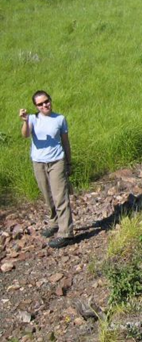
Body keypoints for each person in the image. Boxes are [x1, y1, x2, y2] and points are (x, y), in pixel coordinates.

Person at [19, 90, 74, 248]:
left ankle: (66, 233)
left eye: (46, 101)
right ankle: (54, 223)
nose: (45, 105)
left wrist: (69, 163)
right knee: (47, 195)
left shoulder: (60, 119)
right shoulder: (32, 119)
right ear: (36, 106)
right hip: (38, 162)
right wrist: (24, 121)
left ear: (50, 100)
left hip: (57, 161)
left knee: (60, 197)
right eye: (40, 104)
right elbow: (25, 135)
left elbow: (65, 142)